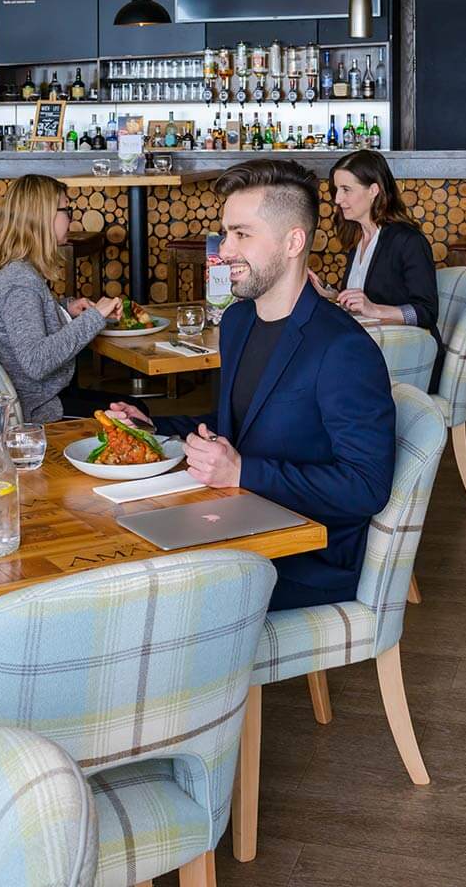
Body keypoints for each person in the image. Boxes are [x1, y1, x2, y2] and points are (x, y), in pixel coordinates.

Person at [109, 160, 396, 611]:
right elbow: (238, 426)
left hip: (302, 555)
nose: (224, 250)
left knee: (140, 595)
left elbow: (366, 487)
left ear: (293, 242)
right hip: (233, 521)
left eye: (242, 234)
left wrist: (242, 472)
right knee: (114, 559)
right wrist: (153, 427)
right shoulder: (239, 321)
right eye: (226, 234)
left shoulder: (343, 349)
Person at [0, 173, 141, 421]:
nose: (71, 219)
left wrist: (64, 309)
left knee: (129, 406)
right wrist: (95, 316)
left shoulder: (8, 268)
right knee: (136, 414)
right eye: (67, 210)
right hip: (39, 406)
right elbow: (36, 361)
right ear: (43, 217)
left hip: (34, 395)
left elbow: (22, 323)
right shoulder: (20, 282)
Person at [308, 149, 442, 387]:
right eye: (336, 190)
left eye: (346, 190)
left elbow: (426, 312)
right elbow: (364, 299)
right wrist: (330, 294)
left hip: (403, 355)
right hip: (366, 350)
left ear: (373, 190)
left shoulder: (408, 241)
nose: (337, 200)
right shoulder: (358, 238)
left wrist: (374, 310)